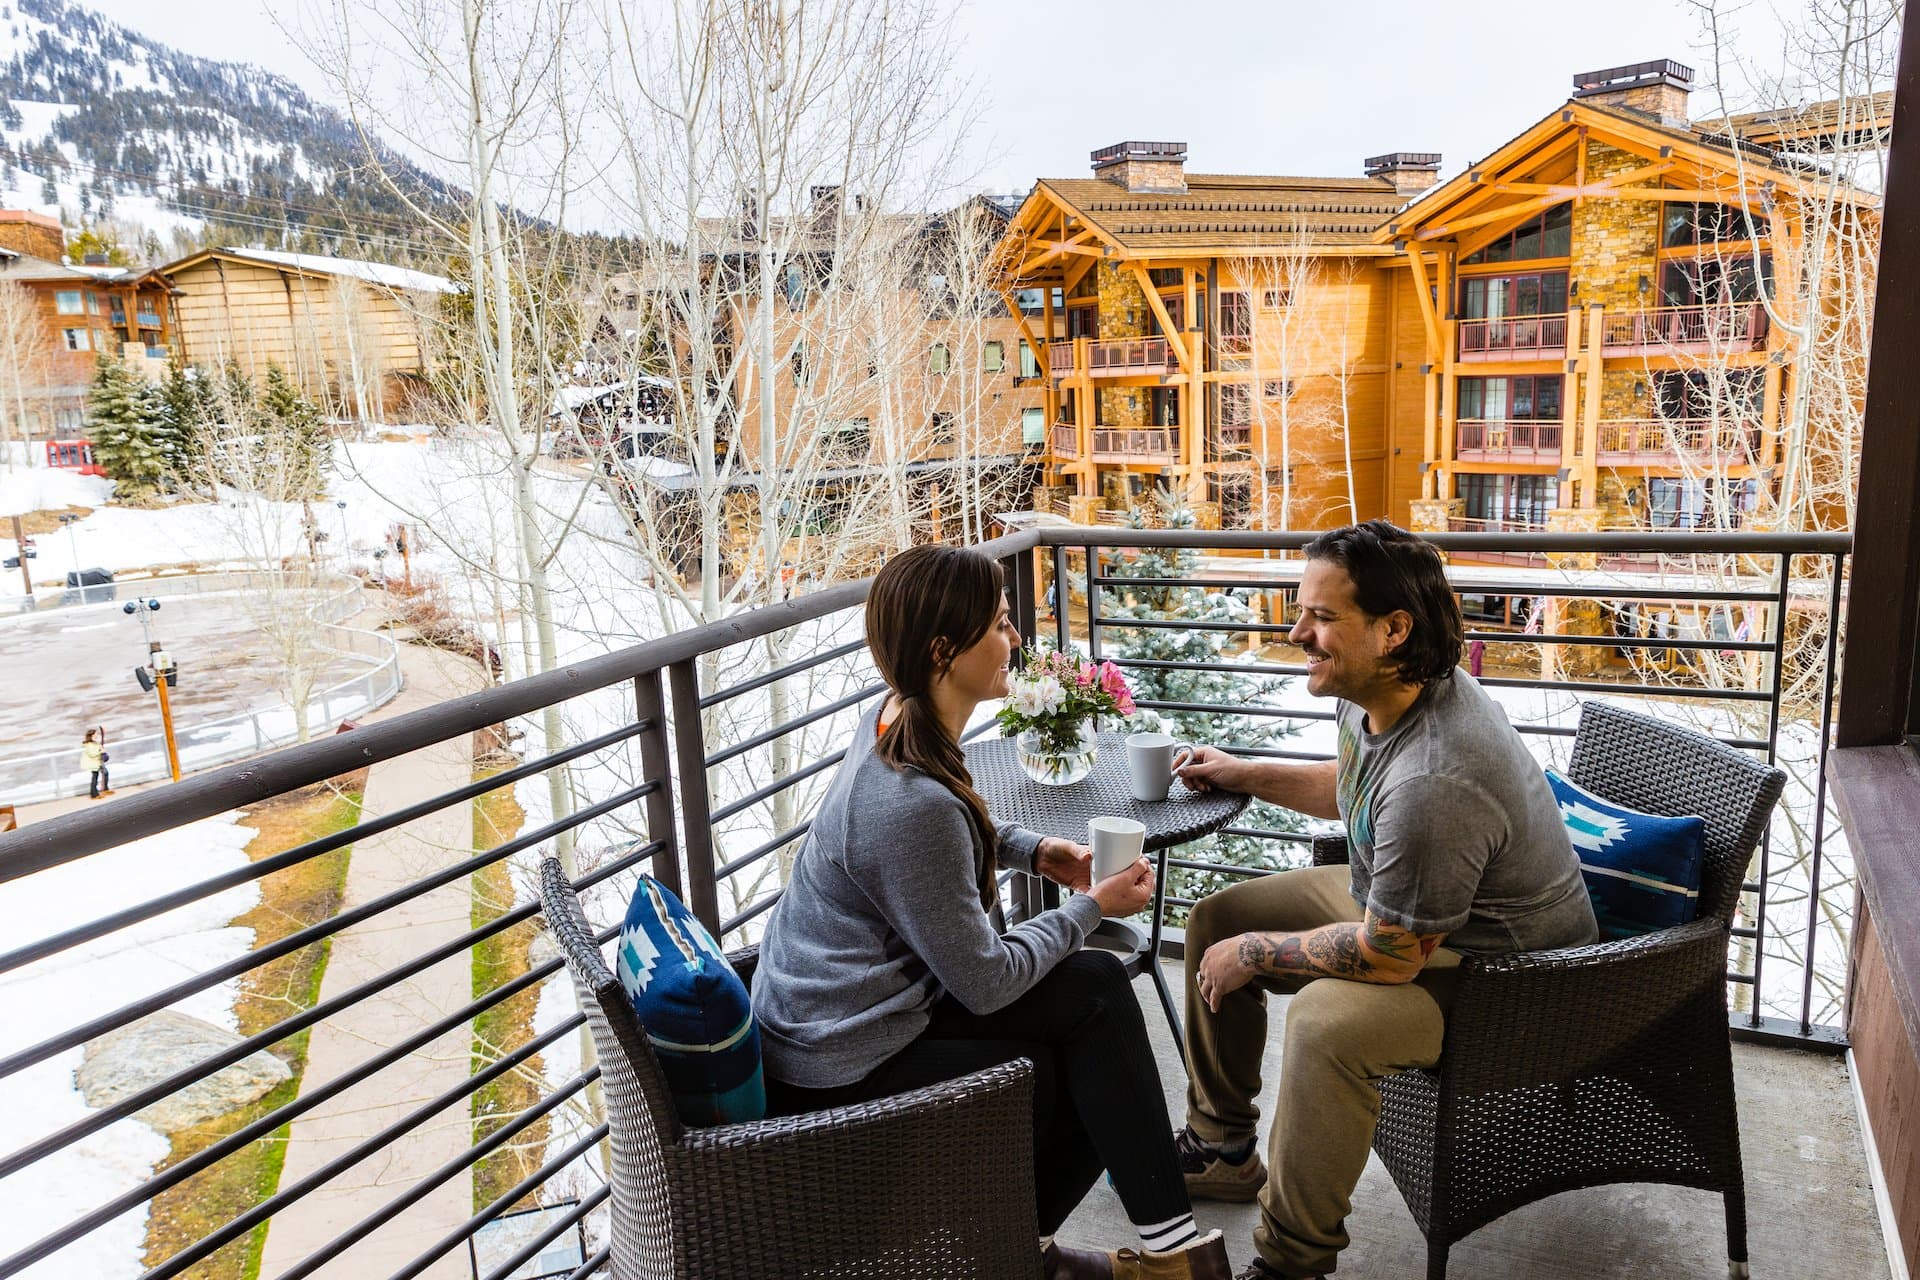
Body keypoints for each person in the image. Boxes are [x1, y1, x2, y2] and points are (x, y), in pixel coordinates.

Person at [752, 543, 1233, 1280]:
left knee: (1094, 996)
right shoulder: (907, 800)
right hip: (843, 1056)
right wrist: (1090, 906)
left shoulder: (897, 720)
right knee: (1068, 1047)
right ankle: (1093, 1258)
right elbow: (984, 980)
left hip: (845, 1015)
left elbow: (950, 828)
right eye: (1002, 625)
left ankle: (1103, 1254)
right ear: (945, 649)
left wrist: (1039, 853)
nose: (1015, 641)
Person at [1170, 520, 1597, 1280]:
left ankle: (1290, 1264)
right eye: (1303, 610)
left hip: (1509, 976)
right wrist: (1245, 772)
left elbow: (1389, 956)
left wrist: (1259, 955)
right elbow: (1361, 796)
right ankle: (1223, 1147)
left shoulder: (1439, 774)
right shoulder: (1374, 687)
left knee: (1326, 1023)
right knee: (1217, 920)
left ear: (1393, 630)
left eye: (1322, 618)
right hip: (1415, 917)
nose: (1298, 632)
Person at [81, 727, 111, 799]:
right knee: (95, 778)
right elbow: (92, 754)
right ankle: (94, 794)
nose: (97, 735)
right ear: (91, 735)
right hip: (93, 764)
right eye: (95, 734)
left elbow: (98, 750)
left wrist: (101, 748)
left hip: (98, 762)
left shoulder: (95, 743)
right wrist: (101, 751)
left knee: (105, 773)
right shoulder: (89, 745)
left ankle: (104, 789)